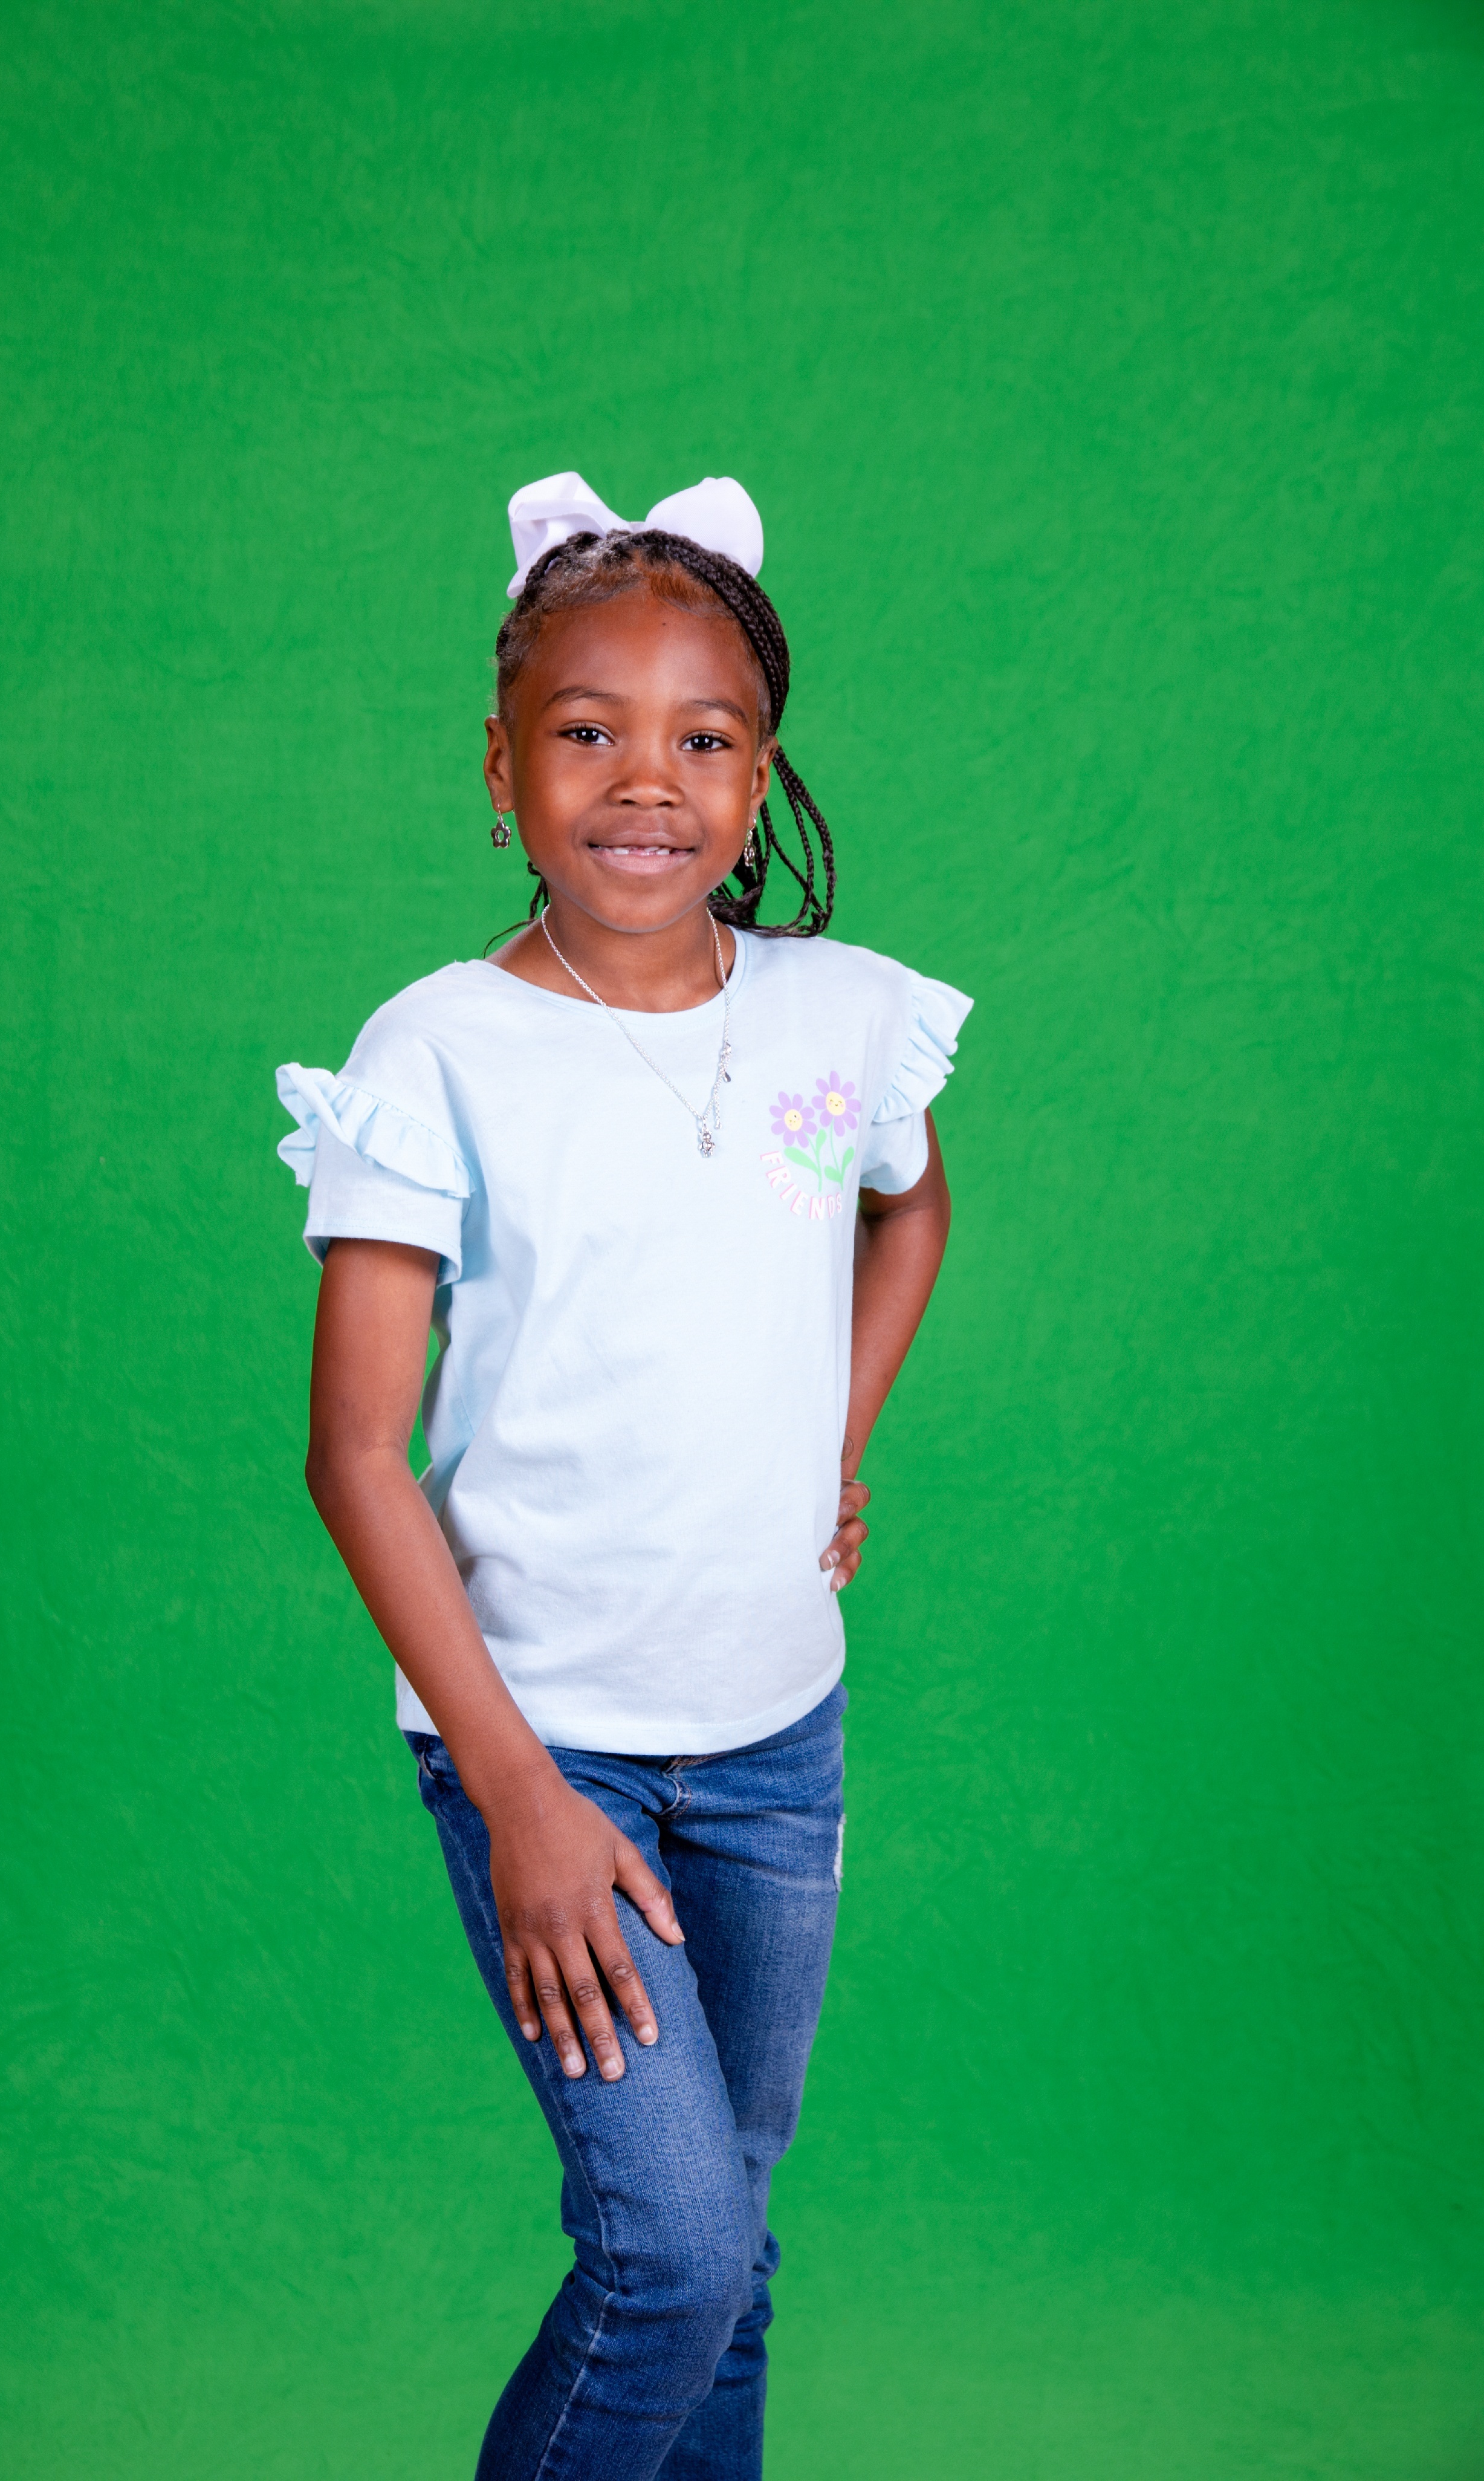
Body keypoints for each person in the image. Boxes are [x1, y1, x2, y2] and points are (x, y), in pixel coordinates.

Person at [275, 470, 973, 2481]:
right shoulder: (438, 1052)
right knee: (670, 2254)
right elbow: (355, 1454)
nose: (646, 781)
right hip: (546, 1741)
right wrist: (519, 1797)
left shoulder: (841, 1016)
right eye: (587, 732)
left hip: (777, 1743)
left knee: (733, 2254)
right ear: (502, 770)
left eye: (704, 739)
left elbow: (909, 1211)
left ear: (760, 781)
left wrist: (828, 1438)